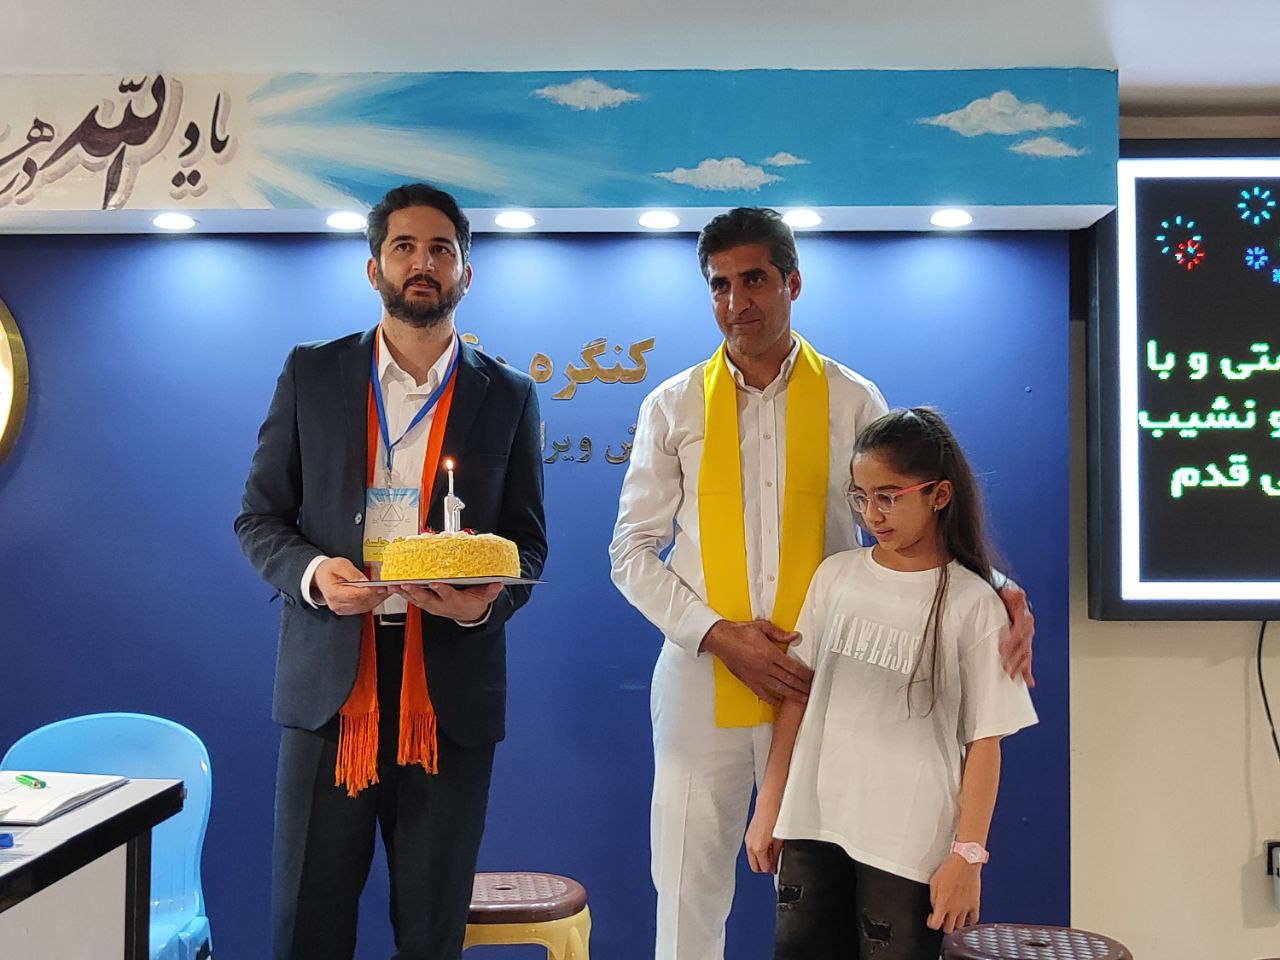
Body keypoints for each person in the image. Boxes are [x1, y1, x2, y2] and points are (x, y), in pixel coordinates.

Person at [608, 207, 1034, 960]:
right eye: (719, 285)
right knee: (685, 884)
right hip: (704, 677)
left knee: (816, 892)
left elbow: (905, 507)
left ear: (792, 283)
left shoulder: (851, 397)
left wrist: (993, 582)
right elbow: (631, 552)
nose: (736, 301)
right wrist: (718, 635)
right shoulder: (672, 405)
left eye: (753, 280)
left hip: (827, 686)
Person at [235, 182, 546, 960]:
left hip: (447, 695)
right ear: (373, 267)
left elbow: (527, 544)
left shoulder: (508, 395)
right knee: (308, 924)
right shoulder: (312, 373)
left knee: (432, 930)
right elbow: (259, 518)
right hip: (330, 689)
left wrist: (477, 607)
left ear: (466, 273)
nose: (422, 263)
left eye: (441, 249)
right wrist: (314, 574)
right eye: (404, 246)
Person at [745, 407, 1038, 960]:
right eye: (859, 497)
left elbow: (986, 741)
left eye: (888, 496)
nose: (871, 514)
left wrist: (968, 856)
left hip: (908, 844)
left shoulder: (975, 604)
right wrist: (770, 805)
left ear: (939, 495)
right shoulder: (837, 576)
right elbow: (797, 697)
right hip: (812, 824)